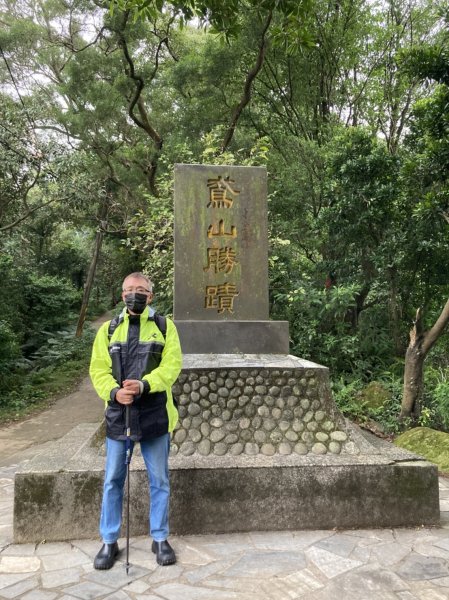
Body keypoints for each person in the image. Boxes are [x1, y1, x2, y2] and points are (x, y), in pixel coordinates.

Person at [89, 272, 182, 569]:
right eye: (130, 289)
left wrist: (144, 384)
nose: (135, 294)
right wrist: (114, 392)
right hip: (119, 415)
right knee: (113, 479)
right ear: (122, 294)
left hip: (155, 414)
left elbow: (172, 366)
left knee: (160, 479)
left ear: (150, 296)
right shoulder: (108, 330)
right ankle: (109, 540)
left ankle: (159, 537)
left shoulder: (165, 327)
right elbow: (98, 370)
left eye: (141, 290)